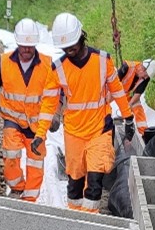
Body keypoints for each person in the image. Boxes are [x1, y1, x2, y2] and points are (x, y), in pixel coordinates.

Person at [33, 13, 135, 213]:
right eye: (65, 48)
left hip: (99, 130)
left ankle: (90, 221)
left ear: (81, 37)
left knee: (95, 182)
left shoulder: (102, 61)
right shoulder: (58, 69)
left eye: (72, 45)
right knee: (75, 184)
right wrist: (40, 133)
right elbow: (48, 104)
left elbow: (118, 91)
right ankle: (76, 220)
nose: (70, 51)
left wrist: (128, 118)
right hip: (74, 134)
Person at [0, 17, 53, 202]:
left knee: (35, 161)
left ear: (35, 44)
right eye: (23, 45)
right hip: (12, 118)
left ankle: (30, 199)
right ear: (17, 43)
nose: (26, 50)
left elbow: (57, 91)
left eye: (29, 46)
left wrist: (57, 115)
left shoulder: (47, 64)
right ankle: (16, 187)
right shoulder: (5, 61)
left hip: (36, 123)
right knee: (11, 154)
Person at [117, 58, 155, 135]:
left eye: (147, 77)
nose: (145, 78)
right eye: (145, 75)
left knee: (137, 106)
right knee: (105, 104)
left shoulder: (146, 77)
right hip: (114, 91)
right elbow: (112, 84)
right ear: (142, 68)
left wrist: (129, 106)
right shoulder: (127, 67)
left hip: (126, 93)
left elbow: (138, 93)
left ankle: (143, 133)